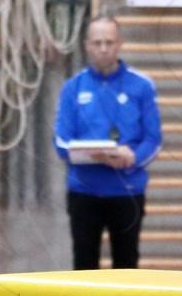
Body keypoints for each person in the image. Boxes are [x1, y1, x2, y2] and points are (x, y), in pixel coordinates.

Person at [54, 15, 162, 269]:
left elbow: (153, 139)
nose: (103, 49)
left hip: (127, 192)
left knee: (126, 267)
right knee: (83, 267)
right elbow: (61, 141)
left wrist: (133, 157)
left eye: (109, 42)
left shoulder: (141, 86)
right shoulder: (72, 88)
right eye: (97, 42)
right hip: (84, 192)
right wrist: (91, 152)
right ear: (87, 45)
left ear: (120, 43)